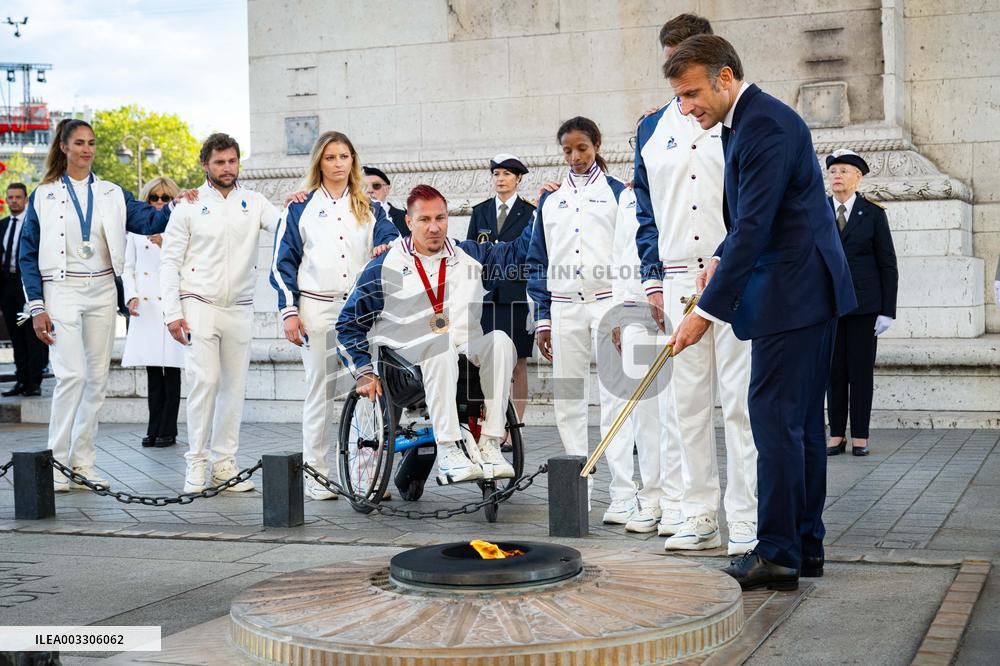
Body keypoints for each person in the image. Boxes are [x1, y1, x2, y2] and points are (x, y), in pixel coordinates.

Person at [664, 35, 856, 590]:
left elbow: (757, 225)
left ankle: (775, 552)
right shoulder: (755, 120)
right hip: (804, 290)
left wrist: (705, 311)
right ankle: (802, 545)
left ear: (726, 77)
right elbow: (758, 214)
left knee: (773, 422)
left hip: (792, 294)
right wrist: (719, 259)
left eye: (693, 93)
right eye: (679, 97)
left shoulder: (764, 124)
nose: (686, 107)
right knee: (797, 427)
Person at [634, 13, 758, 555]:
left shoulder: (736, 120)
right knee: (685, 404)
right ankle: (696, 514)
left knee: (739, 403)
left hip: (734, 270)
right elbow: (643, 209)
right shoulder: (649, 127)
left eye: (687, 57)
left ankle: (748, 520)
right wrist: (652, 278)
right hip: (678, 274)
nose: (678, 69)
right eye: (671, 59)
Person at [337, 184, 532, 485]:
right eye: (425, 220)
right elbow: (348, 324)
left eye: (440, 218)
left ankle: (491, 443)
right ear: (409, 222)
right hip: (404, 369)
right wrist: (363, 371)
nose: (434, 227)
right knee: (439, 346)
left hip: (464, 357)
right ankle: (448, 450)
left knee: (502, 342)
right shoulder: (385, 265)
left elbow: (519, 253)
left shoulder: (469, 255)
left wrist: (543, 212)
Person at [19, 118, 173, 491]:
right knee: (71, 376)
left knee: (97, 380)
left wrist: (179, 206)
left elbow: (148, 218)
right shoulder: (44, 194)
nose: (87, 149)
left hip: (103, 288)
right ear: (64, 148)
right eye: (79, 143)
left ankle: (83, 462)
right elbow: (27, 253)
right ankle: (54, 463)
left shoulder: (110, 192)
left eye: (91, 143)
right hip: (62, 290)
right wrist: (37, 307)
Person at [271, 131, 398, 500]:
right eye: (330, 158)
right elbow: (283, 263)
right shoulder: (299, 207)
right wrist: (288, 311)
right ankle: (317, 475)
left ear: (353, 160)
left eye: (344, 156)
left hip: (360, 309)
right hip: (316, 308)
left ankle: (365, 475)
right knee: (320, 391)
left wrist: (385, 245)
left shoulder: (370, 205)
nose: (338, 164)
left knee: (368, 388)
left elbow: (390, 237)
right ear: (319, 162)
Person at [526, 116, 635, 522]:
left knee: (615, 397)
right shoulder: (549, 201)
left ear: (597, 145)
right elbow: (538, 260)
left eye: (582, 149)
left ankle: (624, 493)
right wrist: (543, 319)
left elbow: (629, 254)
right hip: (564, 306)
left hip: (608, 303)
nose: (575, 157)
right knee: (568, 399)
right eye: (568, 150)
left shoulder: (618, 194)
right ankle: (579, 490)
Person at [160, 132, 281, 493]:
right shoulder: (188, 205)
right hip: (198, 303)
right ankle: (196, 462)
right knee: (205, 381)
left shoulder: (255, 202)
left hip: (240, 307)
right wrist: (171, 312)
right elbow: (169, 260)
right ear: (205, 165)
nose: (227, 168)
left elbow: (290, 228)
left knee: (234, 387)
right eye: (219, 162)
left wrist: (302, 202)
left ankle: (224, 464)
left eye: (232, 161)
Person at [611, 184, 684, 534]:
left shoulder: (682, 175)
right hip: (635, 306)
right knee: (644, 409)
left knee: (673, 408)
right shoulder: (627, 195)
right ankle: (650, 496)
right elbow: (619, 252)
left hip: (674, 298)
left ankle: (675, 500)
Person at [824, 149, 898, 458]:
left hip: (864, 307)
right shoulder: (818, 211)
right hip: (828, 306)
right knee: (833, 373)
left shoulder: (873, 213)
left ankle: (861, 436)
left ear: (858, 177)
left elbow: (887, 264)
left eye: (844, 171)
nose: (837, 176)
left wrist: (887, 311)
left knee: (861, 372)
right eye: (833, 171)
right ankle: (836, 433)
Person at [467, 154, 536, 432]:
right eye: (496, 174)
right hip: (487, 297)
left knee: (517, 361)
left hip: (516, 295)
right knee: (489, 362)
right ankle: (491, 422)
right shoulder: (481, 211)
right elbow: (472, 252)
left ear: (518, 179)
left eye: (507, 174)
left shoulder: (529, 213)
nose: (501, 179)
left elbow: (532, 252)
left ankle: (515, 425)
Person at [121, 176, 186, 448]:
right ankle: (153, 427)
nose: (159, 202)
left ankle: (168, 429)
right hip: (146, 308)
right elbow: (128, 267)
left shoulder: (180, 225)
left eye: (164, 198)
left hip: (170, 306)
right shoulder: (136, 230)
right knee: (152, 372)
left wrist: (164, 244)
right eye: (153, 198)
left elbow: (188, 264)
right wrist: (131, 296)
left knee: (171, 372)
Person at [0, 183, 46, 397]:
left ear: (26, 199)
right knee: (16, 336)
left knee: (32, 334)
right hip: (7, 287)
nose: (14, 201)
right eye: (10, 197)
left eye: (18, 197)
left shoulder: (34, 223)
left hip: (28, 285)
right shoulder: (2, 226)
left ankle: (34, 382)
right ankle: (21, 380)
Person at [364, 166, 408, 237]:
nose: (369, 190)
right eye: (364, 186)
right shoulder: (350, 218)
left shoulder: (405, 217)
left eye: (376, 185)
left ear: (387, 189)